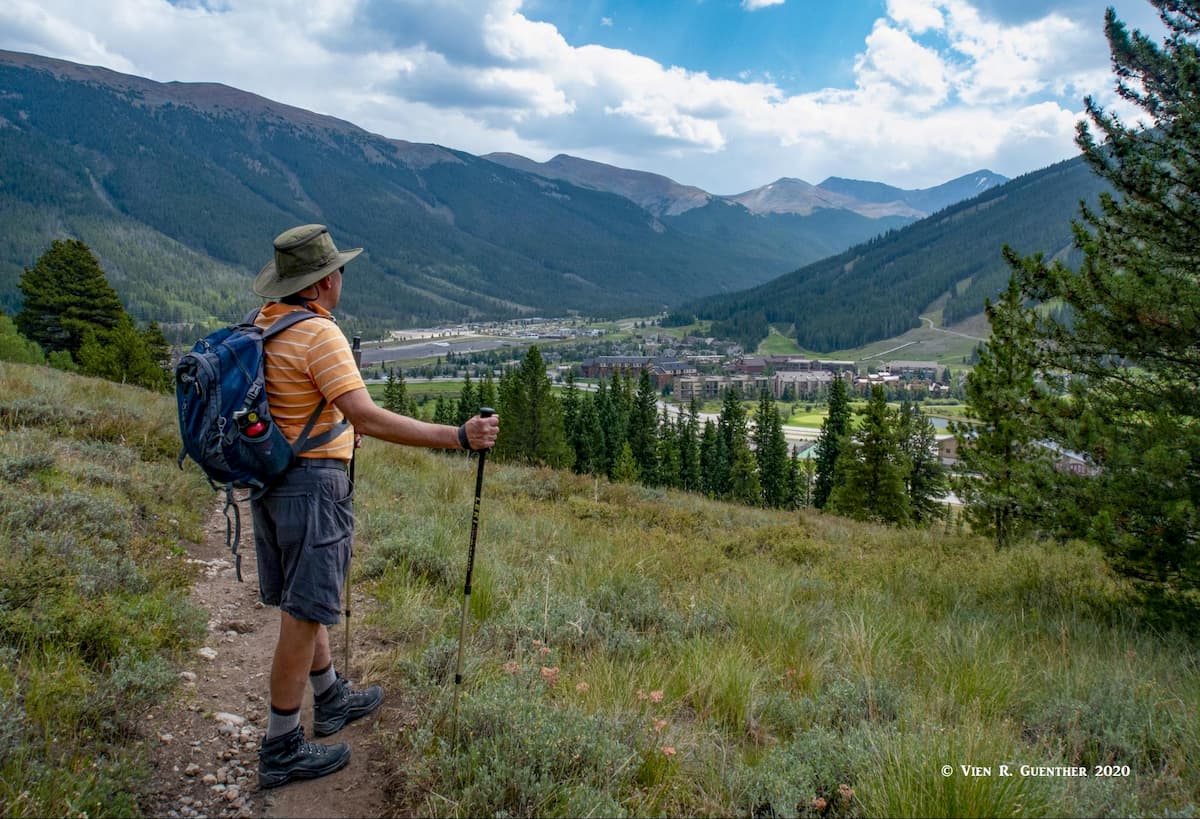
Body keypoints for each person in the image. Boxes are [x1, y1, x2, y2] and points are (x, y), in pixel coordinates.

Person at [249, 224, 499, 789]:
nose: (341, 277)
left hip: (272, 482)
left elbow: (296, 405)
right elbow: (368, 416)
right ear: (321, 282)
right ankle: (281, 745)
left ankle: (331, 697)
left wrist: (330, 428)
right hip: (312, 488)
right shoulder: (319, 334)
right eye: (337, 269)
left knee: (301, 599)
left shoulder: (266, 322)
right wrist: (457, 436)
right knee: (305, 611)